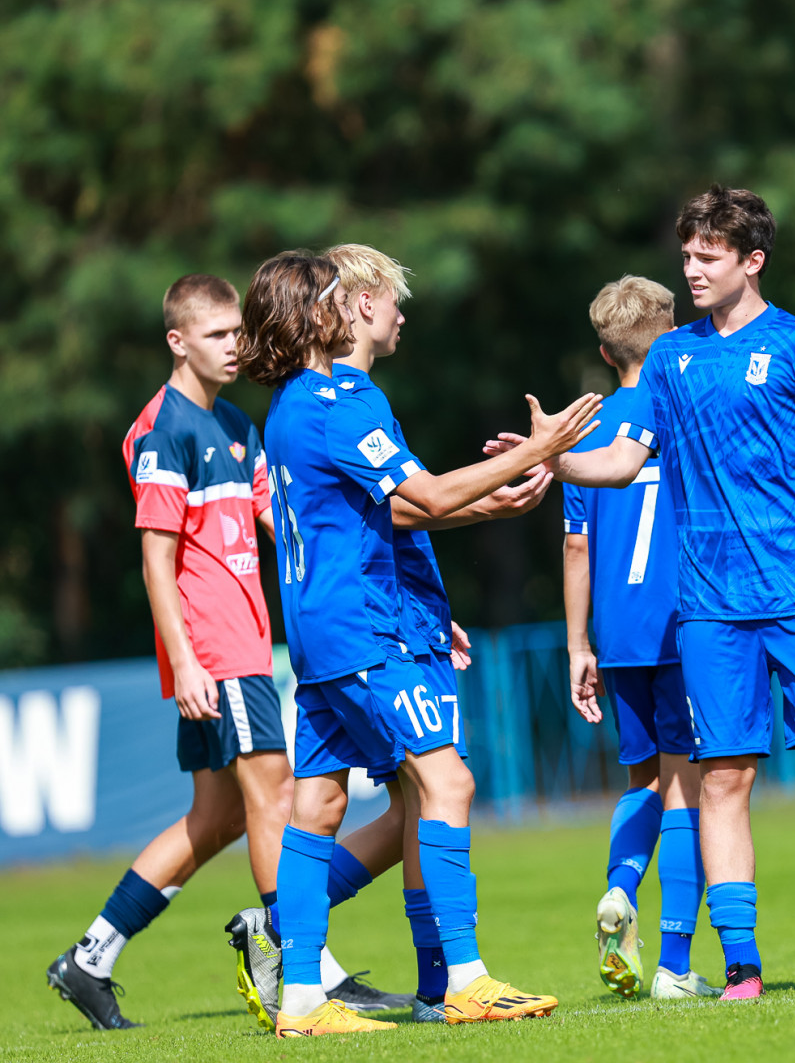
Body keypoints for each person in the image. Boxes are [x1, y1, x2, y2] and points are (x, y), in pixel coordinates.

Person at [550, 186, 795, 1000]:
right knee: (722, 778)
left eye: (708, 256)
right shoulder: (671, 358)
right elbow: (622, 461)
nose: (691, 269)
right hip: (710, 609)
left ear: (752, 261)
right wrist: (549, 458)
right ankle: (742, 965)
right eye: (686, 255)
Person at [240, 250, 598, 1036]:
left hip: (324, 630)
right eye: (344, 295)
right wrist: (539, 449)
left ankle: (303, 999)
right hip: (366, 630)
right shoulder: (343, 399)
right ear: (329, 310)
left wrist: (488, 507)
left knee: (321, 803)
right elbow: (426, 495)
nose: (380, 309)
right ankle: (461, 979)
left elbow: (381, 511)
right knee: (447, 783)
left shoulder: (293, 404)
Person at [48, 274, 407, 1031]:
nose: (234, 347)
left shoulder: (238, 424)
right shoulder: (164, 429)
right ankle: (309, 970)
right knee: (276, 799)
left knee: (215, 819)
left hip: (243, 642)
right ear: (177, 342)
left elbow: (283, 520)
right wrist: (185, 660)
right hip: (217, 649)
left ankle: (90, 957)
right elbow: (156, 558)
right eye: (216, 335)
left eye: (237, 333)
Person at [559, 276, 715, 1000]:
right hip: (687, 621)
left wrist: (577, 645)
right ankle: (675, 966)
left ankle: (621, 888)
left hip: (618, 631)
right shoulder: (686, 404)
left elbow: (576, 546)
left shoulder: (584, 430)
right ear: (673, 332)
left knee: (642, 779)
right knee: (690, 789)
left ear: (604, 351)